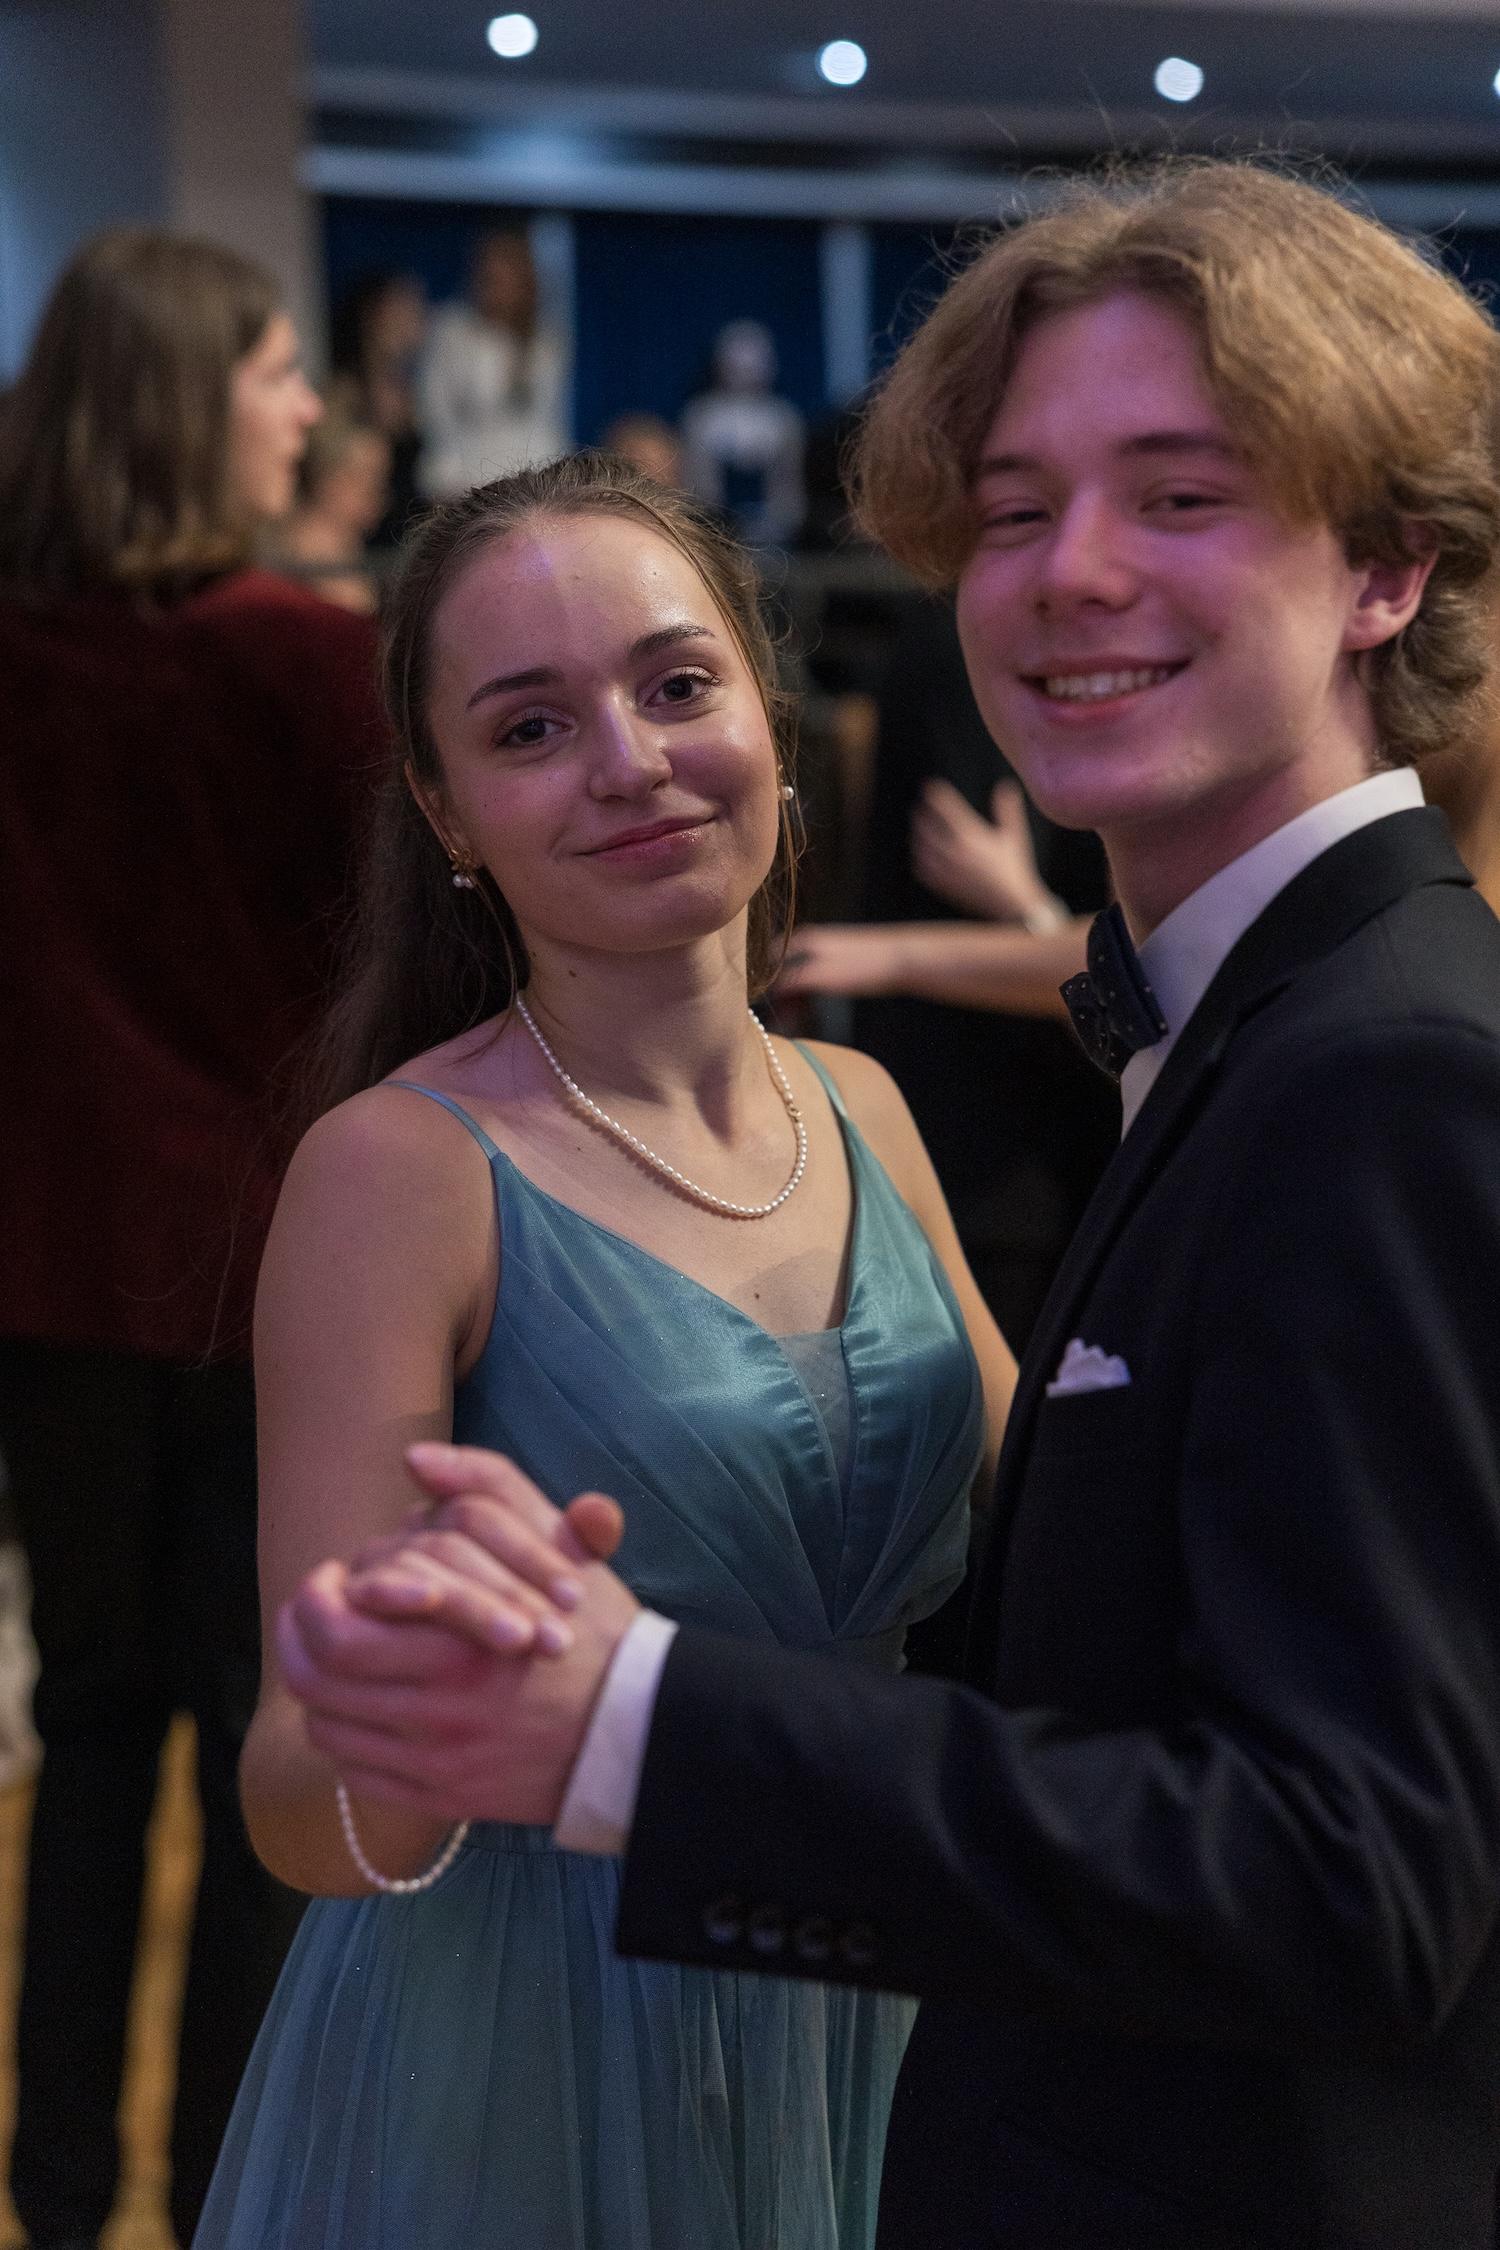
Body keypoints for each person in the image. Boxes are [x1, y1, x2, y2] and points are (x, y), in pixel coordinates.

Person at [287, 160, 1500, 2248]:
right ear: (443, 805)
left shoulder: (1372, 1067)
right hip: (609, 2058)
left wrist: (634, 1716)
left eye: (1178, 495)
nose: (1073, 572)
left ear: (1389, 569)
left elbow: (1340, 1864)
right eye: (1013, 513)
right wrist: (451, 1707)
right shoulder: (1260, 1033)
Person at [196, 453, 1015, 2249]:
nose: (630, 762)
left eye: (676, 684)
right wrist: (422, 1711)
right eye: (532, 727)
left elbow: (1060, 1542)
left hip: (879, 1971)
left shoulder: (864, 1107)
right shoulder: (398, 1173)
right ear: (448, 810)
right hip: (540, 2038)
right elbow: (297, 1806)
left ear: (767, 716)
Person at [0, 228, 386, 2250]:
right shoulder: (308, 664)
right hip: (266, 1283)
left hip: (51, 1276)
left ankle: (57, 2200)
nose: (309, 409)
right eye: (277, 371)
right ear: (186, 399)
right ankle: (238, 2193)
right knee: (262, 1749)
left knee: (86, 1738)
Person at [419, 229, 569, 498]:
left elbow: (546, 419)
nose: (498, 288)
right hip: (464, 480)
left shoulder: (545, 340)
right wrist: (445, 476)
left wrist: (554, 479)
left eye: (507, 278)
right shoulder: (452, 330)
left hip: (531, 481)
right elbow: (435, 410)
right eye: (490, 277)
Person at [680, 318, 806, 547]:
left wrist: (782, 525)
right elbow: (698, 486)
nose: (746, 376)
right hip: (715, 531)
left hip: (775, 537)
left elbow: (789, 487)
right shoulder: (702, 416)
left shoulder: (784, 418)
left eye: (752, 368)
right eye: (738, 368)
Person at [327, 268, 428, 550]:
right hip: (364, 535)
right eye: (403, 309)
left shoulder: (411, 388)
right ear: (374, 316)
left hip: (408, 530)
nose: (417, 320)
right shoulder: (344, 392)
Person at [273, 401, 391, 613]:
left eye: (380, 479)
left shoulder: (346, 545)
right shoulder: (313, 551)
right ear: (329, 480)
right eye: (367, 477)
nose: (378, 491)